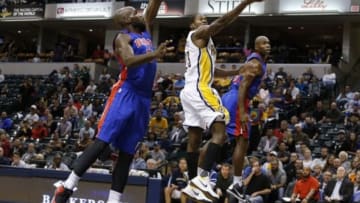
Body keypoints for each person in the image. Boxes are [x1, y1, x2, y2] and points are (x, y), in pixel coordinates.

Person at [51, 1, 172, 203]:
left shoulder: (145, 31)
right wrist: (155, 54)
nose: (141, 13)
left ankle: (113, 200)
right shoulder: (122, 37)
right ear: (127, 20)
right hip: (126, 93)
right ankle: (66, 187)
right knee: (102, 141)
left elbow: (154, 5)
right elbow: (129, 60)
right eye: (135, 12)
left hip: (143, 99)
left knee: (127, 153)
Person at [180, 0, 264, 201]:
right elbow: (223, 22)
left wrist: (237, 70)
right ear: (193, 25)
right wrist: (244, 4)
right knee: (221, 130)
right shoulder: (198, 34)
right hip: (200, 89)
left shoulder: (205, 44)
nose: (204, 20)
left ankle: (193, 183)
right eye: (200, 19)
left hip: (190, 90)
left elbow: (213, 70)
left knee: (194, 138)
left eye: (205, 19)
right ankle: (203, 177)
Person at [222, 36, 270, 200]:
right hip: (238, 100)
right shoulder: (256, 63)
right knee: (242, 140)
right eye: (264, 43)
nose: (268, 46)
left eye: (269, 43)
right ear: (256, 46)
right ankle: (236, 183)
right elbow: (243, 86)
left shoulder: (256, 61)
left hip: (234, 98)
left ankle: (203, 169)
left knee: (223, 138)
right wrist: (242, 111)